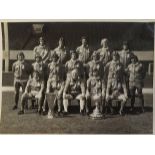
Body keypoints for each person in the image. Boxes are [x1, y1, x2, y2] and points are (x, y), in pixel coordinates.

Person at [46, 52, 65, 118]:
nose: (54, 59)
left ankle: (59, 110)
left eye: (55, 58)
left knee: (59, 96)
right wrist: (48, 89)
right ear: (51, 58)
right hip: (51, 81)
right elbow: (48, 75)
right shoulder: (49, 65)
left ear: (57, 58)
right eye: (53, 58)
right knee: (48, 95)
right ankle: (48, 110)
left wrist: (60, 90)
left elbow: (62, 75)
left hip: (58, 83)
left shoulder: (60, 65)